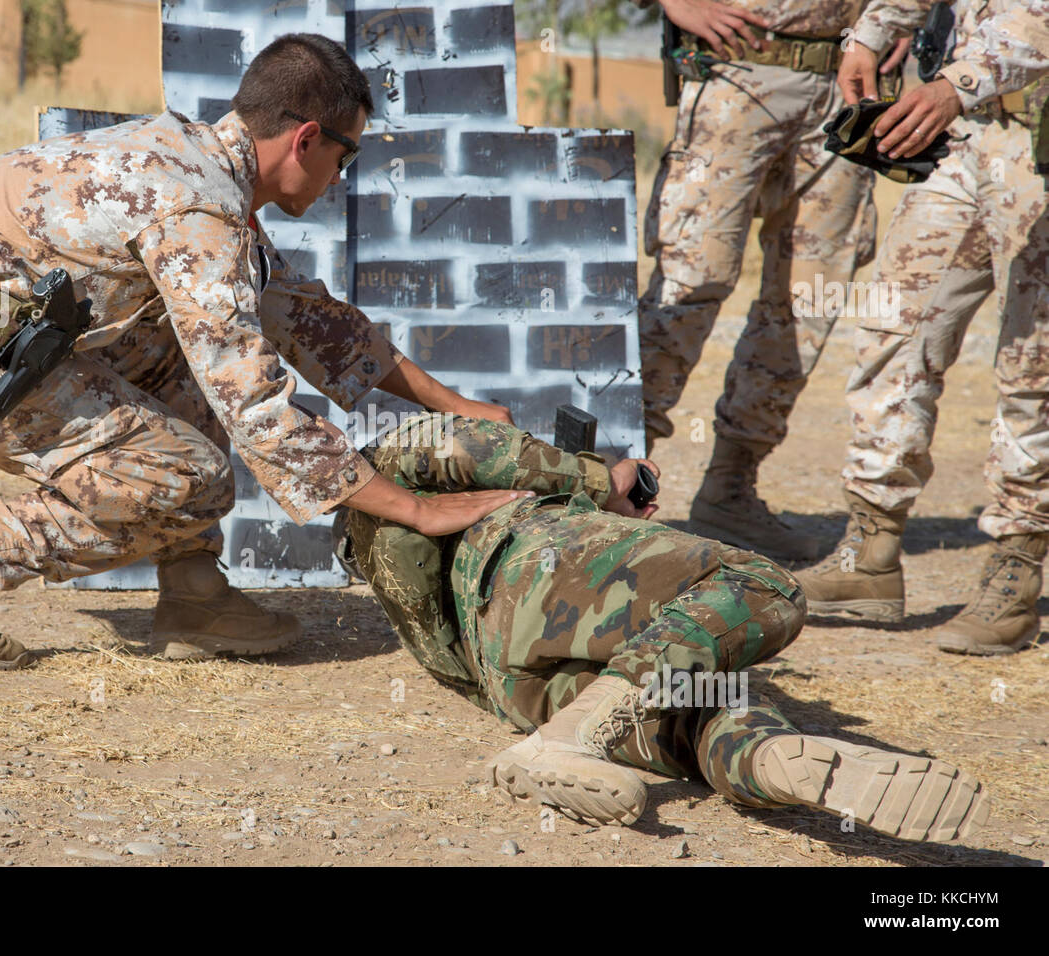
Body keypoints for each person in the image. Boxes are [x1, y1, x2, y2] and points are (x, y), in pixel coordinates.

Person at [0, 33, 525, 669]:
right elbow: (255, 408)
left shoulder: (194, 161)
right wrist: (419, 511)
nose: (345, 175)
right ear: (307, 139)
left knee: (184, 348)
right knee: (196, 477)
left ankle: (192, 591)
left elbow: (309, 320)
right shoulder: (198, 210)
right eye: (349, 153)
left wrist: (457, 406)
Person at [332, 413, 990, 841]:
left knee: (705, 705)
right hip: (525, 565)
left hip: (510, 686)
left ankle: (769, 762)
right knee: (765, 587)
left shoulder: (405, 596)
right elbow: (455, 441)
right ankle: (572, 737)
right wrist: (601, 479)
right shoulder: (438, 483)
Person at [797, 0, 1049, 656]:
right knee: (894, 330)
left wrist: (957, 83)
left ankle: (1015, 572)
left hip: (1035, 135)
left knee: (1033, 360)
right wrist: (872, 34)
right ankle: (870, 551)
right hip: (965, 137)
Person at [638, 0, 909, 562]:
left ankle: (729, 491)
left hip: (850, 85)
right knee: (688, 283)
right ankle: (614, 479)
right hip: (740, 71)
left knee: (806, 301)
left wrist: (902, 21)